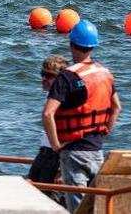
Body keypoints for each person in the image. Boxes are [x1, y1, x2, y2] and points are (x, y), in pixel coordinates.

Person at [42, 20, 122, 212]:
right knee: (95, 206)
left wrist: (55, 145)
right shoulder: (105, 73)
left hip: (74, 152)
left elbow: (47, 113)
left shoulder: (67, 77)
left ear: (71, 44)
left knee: (78, 209)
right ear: (93, 46)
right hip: (97, 151)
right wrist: (105, 131)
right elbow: (117, 107)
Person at [27, 54, 69, 187]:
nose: (44, 79)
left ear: (61, 79)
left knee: (50, 198)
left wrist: (62, 169)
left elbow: (74, 133)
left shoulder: (67, 101)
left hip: (56, 156)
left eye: (49, 76)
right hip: (44, 153)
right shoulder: (52, 99)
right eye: (42, 74)